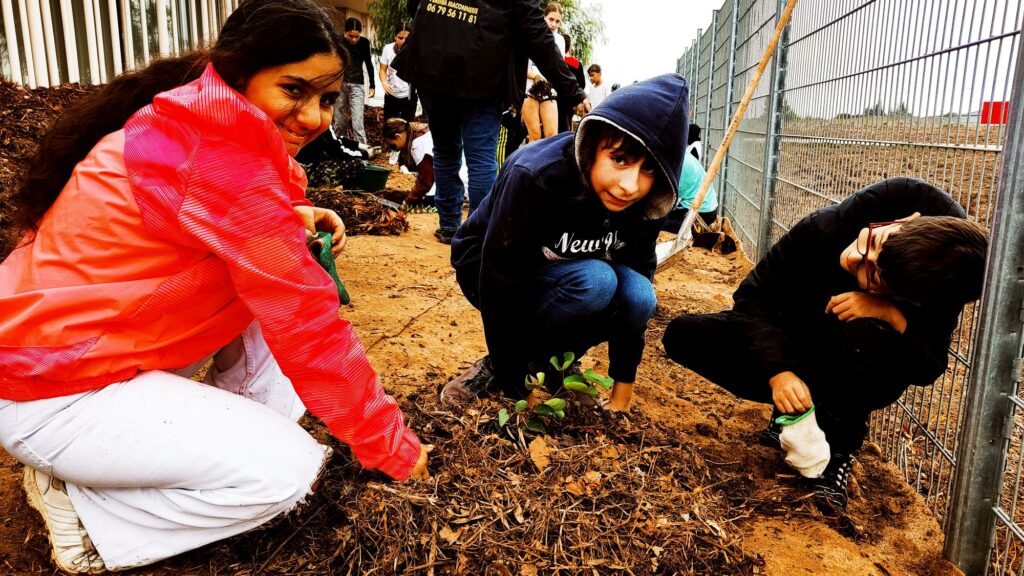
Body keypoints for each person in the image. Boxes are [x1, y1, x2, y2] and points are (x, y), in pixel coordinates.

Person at [0, 1, 430, 572]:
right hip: (53, 390)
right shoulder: (221, 163)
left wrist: (292, 215)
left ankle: (167, 457)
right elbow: (310, 327)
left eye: (326, 99)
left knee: (272, 346)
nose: (312, 116)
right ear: (237, 75)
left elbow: (206, 212)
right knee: (287, 473)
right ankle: (89, 516)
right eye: (293, 90)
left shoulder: (190, 124)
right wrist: (392, 450)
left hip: (79, 358)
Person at [662, 177, 988, 509]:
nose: (855, 257)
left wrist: (890, 314)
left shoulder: (942, 276)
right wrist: (779, 372)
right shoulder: (826, 228)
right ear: (905, 221)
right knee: (684, 335)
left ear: (912, 299)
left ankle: (837, 451)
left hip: (853, 358)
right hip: (790, 339)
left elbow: (928, 366)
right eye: (873, 242)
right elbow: (753, 299)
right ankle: (794, 414)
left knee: (868, 335)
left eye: (872, 275)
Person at [441, 74, 689, 414]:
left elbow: (640, 280)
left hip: (568, 278)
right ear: (592, 145)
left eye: (648, 170)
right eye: (620, 159)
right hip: (487, 267)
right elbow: (502, 279)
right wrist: (516, 387)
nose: (630, 185)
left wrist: (622, 392)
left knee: (638, 294)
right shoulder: (537, 175)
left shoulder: (647, 201)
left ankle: (554, 361)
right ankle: (505, 366)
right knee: (597, 281)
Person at [393, 0, 587, 245]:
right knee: (481, 157)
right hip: (482, 71)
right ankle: (477, 233)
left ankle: (450, 225)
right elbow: (536, 33)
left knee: (445, 150)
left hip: (432, 62)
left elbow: (414, 4)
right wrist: (573, 91)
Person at [522, 2, 567, 142]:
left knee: (551, 136)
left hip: (549, 89)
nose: (553, 24)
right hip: (529, 87)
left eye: (557, 21)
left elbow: (559, 68)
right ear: (544, 17)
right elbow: (520, 67)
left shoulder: (560, 40)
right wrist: (535, 76)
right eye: (551, 19)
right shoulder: (530, 34)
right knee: (534, 135)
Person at [333, 17, 376, 144]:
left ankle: (362, 152)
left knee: (358, 123)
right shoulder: (338, 41)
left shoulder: (363, 43)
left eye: (356, 36)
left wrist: (372, 85)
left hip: (357, 85)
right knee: (340, 122)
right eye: (350, 36)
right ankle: (338, 149)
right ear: (345, 32)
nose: (353, 39)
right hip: (340, 85)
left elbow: (369, 63)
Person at [661, 152, 718, 233]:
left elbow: (666, 199)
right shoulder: (681, 154)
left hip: (701, 213)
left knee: (658, 222)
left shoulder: (672, 164)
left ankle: (696, 229)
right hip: (709, 208)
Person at [379, 21, 417, 122]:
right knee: (390, 125)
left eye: (407, 38)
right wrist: (384, 82)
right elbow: (382, 70)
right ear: (395, 36)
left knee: (408, 126)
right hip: (392, 94)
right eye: (400, 38)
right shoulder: (388, 49)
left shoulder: (415, 50)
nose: (404, 41)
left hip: (408, 95)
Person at [557, 32, 586, 133]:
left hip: (553, 98)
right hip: (569, 100)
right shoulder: (576, 63)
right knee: (565, 126)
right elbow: (582, 84)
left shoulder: (554, 60)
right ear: (569, 46)